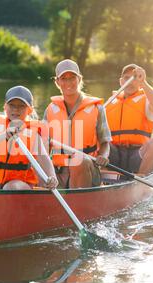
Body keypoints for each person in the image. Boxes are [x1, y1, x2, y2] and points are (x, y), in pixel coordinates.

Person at [43, 59, 112, 189]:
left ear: (79, 79)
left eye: (72, 78)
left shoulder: (97, 108)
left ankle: (79, 202)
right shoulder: (50, 109)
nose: (68, 82)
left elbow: (105, 142)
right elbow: (43, 145)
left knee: (79, 160)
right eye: (63, 78)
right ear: (57, 82)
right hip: (58, 172)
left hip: (87, 169)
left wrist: (103, 156)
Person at [106, 64, 153, 175]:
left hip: (137, 156)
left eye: (134, 78)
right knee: (99, 140)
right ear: (121, 81)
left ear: (139, 82)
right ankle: (103, 176)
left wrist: (144, 83)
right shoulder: (111, 101)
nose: (130, 82)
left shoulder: (147, 100)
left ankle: (141, 179)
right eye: (126, 78)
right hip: (114, 156)